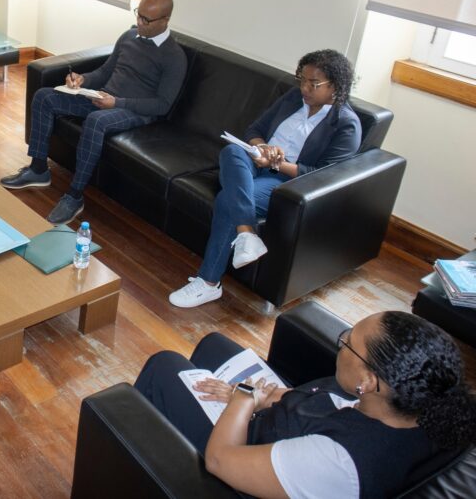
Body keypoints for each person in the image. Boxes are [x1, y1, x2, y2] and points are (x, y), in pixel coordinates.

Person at [134, 311, 476, 498]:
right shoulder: (419, 403)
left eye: (348, 343)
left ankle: (131, 456)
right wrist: (270, 397)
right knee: (213, 345)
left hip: (239, 453)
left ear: (369, 382)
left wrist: (244, 398)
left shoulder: (339, 461)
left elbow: (220, 460)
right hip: (285, 420)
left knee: (165, 365)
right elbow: (332, 406)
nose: (341, 342)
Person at [168, 49, 361, 308]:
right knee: (232, 151)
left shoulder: (346, 125)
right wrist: (263, 148)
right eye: (302, 80)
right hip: (256, 161)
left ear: (335, 86)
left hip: (286, 181)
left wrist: (278, 163)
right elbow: (255, 129)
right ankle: (247, 233)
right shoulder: (294, 98)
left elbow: (323, 175)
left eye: (313, 84)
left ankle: (209, 283)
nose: (304, 88)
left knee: (227, 199)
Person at [0, 0, 187, 224]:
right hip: (104, 97)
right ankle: (38, 169)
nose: (139, 22)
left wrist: (116, 103)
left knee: (96, 120)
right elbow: (105, 72)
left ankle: (74, 196)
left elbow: (162, 105)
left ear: (165, 20)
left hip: (136, 111)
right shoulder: (129, 37)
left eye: (146, 20)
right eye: (138, 15)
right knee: (44, 97)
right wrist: (83, 80)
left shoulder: (174, 56)